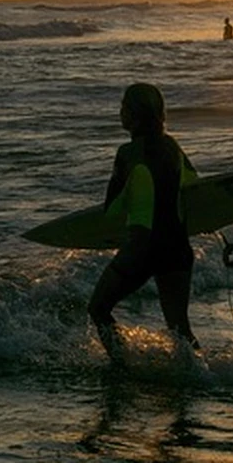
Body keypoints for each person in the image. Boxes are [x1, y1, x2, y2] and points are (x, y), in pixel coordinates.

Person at [87, 83, 200, 366]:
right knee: (180, 327)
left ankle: (122, 366)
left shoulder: (127, 153)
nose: (120, 112)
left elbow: (111, 210)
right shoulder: (173, 146)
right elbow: (195, 187)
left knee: (98, 308)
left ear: (135, 116)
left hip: (142, 249)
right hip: (177, 246)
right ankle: (200, 373)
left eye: (124, 106)